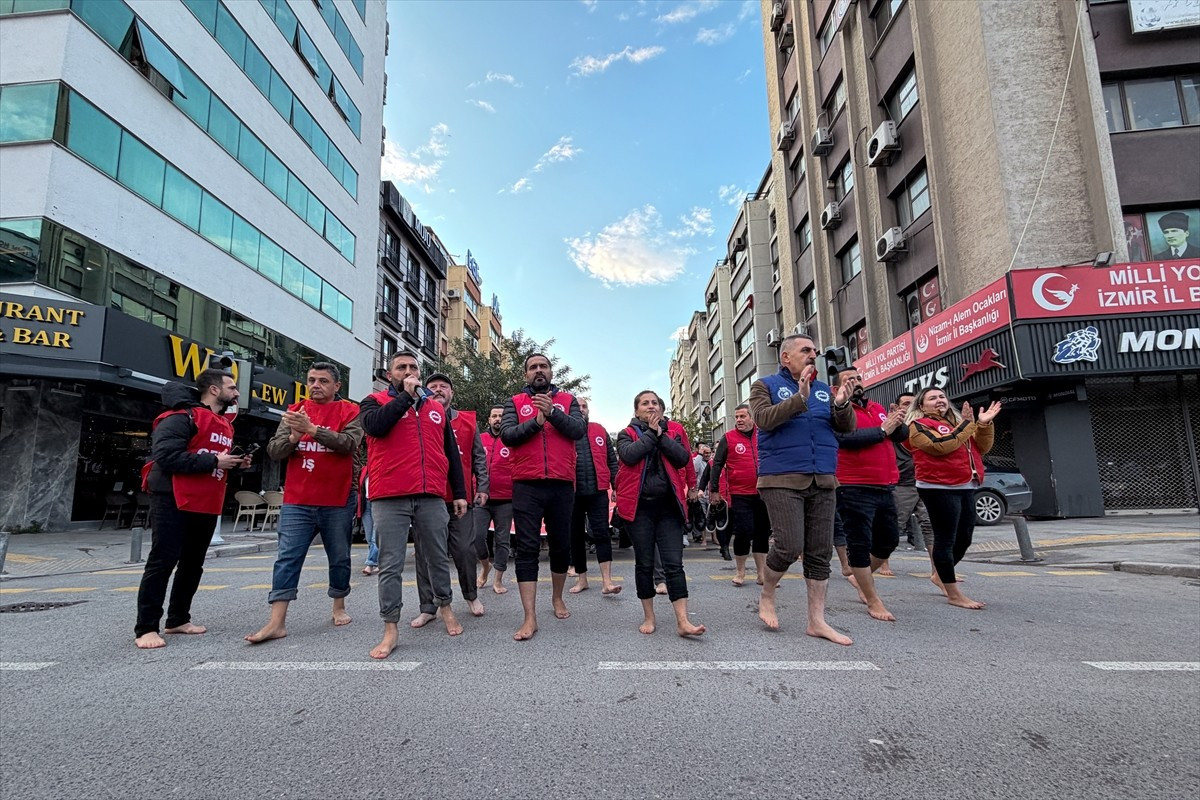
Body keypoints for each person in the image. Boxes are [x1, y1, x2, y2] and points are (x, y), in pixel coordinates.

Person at [747, 334, 855, 645]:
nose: (812, 355)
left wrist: (842, 404)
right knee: (789, 545)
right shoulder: (764, 385)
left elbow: (846, 428)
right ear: (786, 358)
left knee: (820, 551)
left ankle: (816, 620)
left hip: (822, 478)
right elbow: (764, 420)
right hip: (781, 478)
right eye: (805, 350)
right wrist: (799, 398)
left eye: (815, 351)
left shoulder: (825, 390)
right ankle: (767, 594)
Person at [360, 351, 468, 658]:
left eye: (413, 367)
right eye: (401, 367)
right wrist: (405, 399)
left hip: (430, 494)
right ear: (389, 373)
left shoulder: (436, 409)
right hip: (389, 494)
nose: (408, 371)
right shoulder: (374, 402)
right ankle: (390, 627)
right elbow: (376, 427)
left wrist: (458, 492)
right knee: (390, 564)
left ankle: (445, 607)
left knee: (437, 557)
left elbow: (451, 453)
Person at [245, 363, 363, 644]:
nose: (315, 385)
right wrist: (295, 437)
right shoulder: (293, 412)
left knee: (339, 556)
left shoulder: (350, 411)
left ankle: (338, 606)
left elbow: (350, 443)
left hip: (338, 497)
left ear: (337, 386)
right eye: (311, 380)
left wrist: (313, 429)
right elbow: (274, 451)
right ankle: (277, 621)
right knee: (287, 558)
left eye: (323, 381)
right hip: (298, 499)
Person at [134, 370, 248, 649]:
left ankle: (177, 619)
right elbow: (167, 456)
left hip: (206, 500)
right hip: (173, 498)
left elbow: (211, 457)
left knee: (192, 563)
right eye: (231, 388)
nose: (236, 393)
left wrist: (233, 462)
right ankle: (146, 628)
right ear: (212, 389)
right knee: (162, 562)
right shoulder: (180, 417)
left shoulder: (224, 423)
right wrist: (214, 462)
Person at [499, 353, 586, 641]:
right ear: (526, 374)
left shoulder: (568, 401)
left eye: (543, 366)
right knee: (526, 549)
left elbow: (578, 430)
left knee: (561, 547)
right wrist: (537, 420)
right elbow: (508, 435)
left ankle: (557, 598)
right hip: (527, 484)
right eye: (533, 367)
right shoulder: (514, 402)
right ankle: (530, 616)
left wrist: (553, 413)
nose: (539, 371)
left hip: (561, 484)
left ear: (551, 372)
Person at [615, 390, 706, 637]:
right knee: (644, 564)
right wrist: (651, 435)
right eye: (645, 403)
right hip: (639, 508)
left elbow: (681, 458)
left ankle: (683, 621)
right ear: (636, 411)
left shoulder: (672, 433)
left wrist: (661, 435)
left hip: (669, 508)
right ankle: (649, 616)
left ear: (662, 409)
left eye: (655, 403)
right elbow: (629, 456)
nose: (651, 407)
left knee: (674, 565)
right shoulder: (627, 434)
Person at [905, 388, 1001, 610]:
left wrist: (984, 424)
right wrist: (967, 425)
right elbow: (940, 446)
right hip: (937, 486)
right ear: (921, 406)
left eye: (941, 397)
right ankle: (953, 593)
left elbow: (982, 447)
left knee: (964, 537)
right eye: (932, 398)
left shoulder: (958, 423)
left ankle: (941, 574)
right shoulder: (918, 426)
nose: (939, 400)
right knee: (945, 538)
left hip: (966, 484)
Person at [830, 368, 908, 622]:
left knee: (889, 541)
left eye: (858, 378)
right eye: (848, 380)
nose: (856, 383)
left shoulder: (877, 408)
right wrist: (883, 430)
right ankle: (873, 600)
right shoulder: (837, 410)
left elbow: (900, 436)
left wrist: (899, 421)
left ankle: (858, 578)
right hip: (853, 485)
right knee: (859, 544)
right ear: (837, 388)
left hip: (885, 483)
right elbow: (843, 438)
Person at [410, 373, 489, 623]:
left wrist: (482, 486)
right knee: (425, 554)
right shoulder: (416, 417)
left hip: (460, 497)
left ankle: (470, 595)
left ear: (452, 393)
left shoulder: (467, 421)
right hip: (427, 495)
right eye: (432, 386)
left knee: (465, 549)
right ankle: (428, 606)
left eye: (444, 386)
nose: (438, 389)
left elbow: (479, 457)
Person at [707, 404, 769, 586]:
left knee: (762, 533)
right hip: (740, 493)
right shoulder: (728, 438)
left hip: (764, 492)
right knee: (743, 532)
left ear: (752, 417)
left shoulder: (764, 434)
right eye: (737, 417)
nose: (739, 420)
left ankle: (762, 574)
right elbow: (716, 464)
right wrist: (715, 490)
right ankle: (740, 572)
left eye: (743, 416)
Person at [569, 397, 621, 595]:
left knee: (601, 534)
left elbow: (612, 461)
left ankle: (607, 581)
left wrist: (616, 486)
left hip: (598, 492)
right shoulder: (565, 431)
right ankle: (582, 579)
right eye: (578, 407)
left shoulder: (599, 429)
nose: (581, 409)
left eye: (584, 406)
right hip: (572, 493)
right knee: (575, 537)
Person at [477, 404, 514, 594]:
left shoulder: (512, 440)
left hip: (506, 499)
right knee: (476, 537)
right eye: (494, 416)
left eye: (501, 416)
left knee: (502, 541)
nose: (498, 419)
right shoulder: (480, 439)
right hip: (480, 499)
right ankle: (485, 567)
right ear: (489, 420)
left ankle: (498, 580)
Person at [892, 392, 933, 554]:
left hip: (926, 480)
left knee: (930, 525)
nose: (910, 406)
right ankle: (882, 564)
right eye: (906, 403)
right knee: (895, 525)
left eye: (913, 403)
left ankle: (937, 570)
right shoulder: (893, 426)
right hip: (903, 483)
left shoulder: (925, 425)